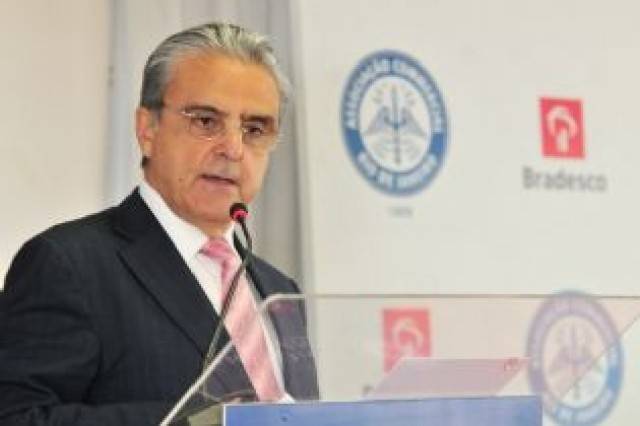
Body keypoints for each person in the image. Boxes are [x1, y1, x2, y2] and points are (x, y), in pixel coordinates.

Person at [0, 22, 318, 425]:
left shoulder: (277, 289)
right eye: (206, 121)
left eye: (254, 129)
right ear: (147, 130)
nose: (233, 149)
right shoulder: (69, 266)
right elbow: (18, 417)